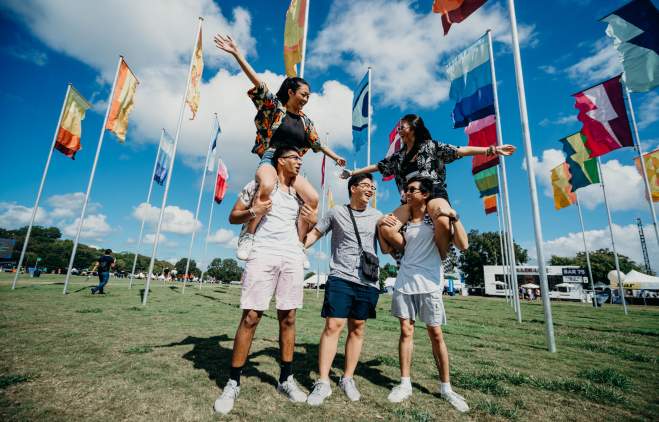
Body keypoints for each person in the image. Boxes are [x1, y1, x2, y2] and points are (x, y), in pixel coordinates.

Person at [214, 34, 346, 261]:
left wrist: (336, 157)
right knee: (266, 183)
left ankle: (298, 244)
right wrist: (237, 54)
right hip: (272, 157)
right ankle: (249, 234)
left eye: (308, 96)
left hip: (292, 164)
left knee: (313, 199)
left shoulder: (306, 121)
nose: (306, 99)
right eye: (304, 94)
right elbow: (259, 84)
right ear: (291, 92)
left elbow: (316, 142)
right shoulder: (275, 109)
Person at [214, 146, 317, 416]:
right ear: (281, 161)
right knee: (251, 316)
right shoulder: (258, 185)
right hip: (262, 252)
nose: (299, 163)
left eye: (301, 159)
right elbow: (233, 216)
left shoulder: (299, 194)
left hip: (292, 255)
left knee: (289, 317)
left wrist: (310, 222)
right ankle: (233, 382)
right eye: (295, 158)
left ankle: (286, 379)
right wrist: (253, 211)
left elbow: (306, 228)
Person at [342, 114, 514, 258]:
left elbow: (460, 150)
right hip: (410, 198)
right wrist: (353, 173)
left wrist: (492, 149)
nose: (399, 130)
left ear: (413, 128)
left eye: (402, 127)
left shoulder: (431, 146)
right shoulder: (399, 156)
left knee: (442, 219)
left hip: (433, 191)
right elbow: (378, 167)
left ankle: (442, 257)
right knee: (386, 228)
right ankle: (411, 255)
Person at [378, 176, 470, 413]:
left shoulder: (435, 220)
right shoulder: (405, 223)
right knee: (405, 332)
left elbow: (463, 245)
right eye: (406, 189)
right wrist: (381, 224)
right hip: (405, 282)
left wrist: (454, 217)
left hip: (429, 284)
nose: (407, 193)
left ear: (425, 194)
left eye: (412, 190)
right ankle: (405, 383)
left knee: (436, 334)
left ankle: (446, 388)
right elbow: (386, 247)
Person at [303, 173, 383, 406]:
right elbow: (316, 233)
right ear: (353, 188)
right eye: (366, 186)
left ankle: (347, 378)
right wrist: (298, 247)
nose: (370, 190)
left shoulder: (378, 216)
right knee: (333, 325)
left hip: (368, 281)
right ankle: (324, 381)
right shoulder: (336, 212)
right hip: (340, 277)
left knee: (357, 328)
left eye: (373, 187)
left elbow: (388, 242)